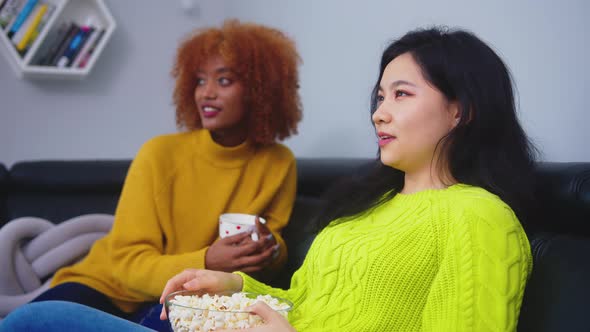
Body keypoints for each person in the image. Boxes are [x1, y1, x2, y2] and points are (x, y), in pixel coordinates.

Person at [0, 26, 536, 331]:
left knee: (35, 326)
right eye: (378, 97)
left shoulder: (478, 215)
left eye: (401, 94)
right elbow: (300, 302)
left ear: (460, 109)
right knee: (47, 319)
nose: (378, 113)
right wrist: (232, 284)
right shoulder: (368, 208)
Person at [22, 19, 302, 329]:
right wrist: (207, 261)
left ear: (260, 89)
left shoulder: (279, 162)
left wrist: (270, 250)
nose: (206, 94)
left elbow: (272, 258)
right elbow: (125, 265)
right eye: (199, 81)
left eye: (224, 81)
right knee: (27, 323)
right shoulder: (159, 153)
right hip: (106, 288)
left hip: (190, 300)